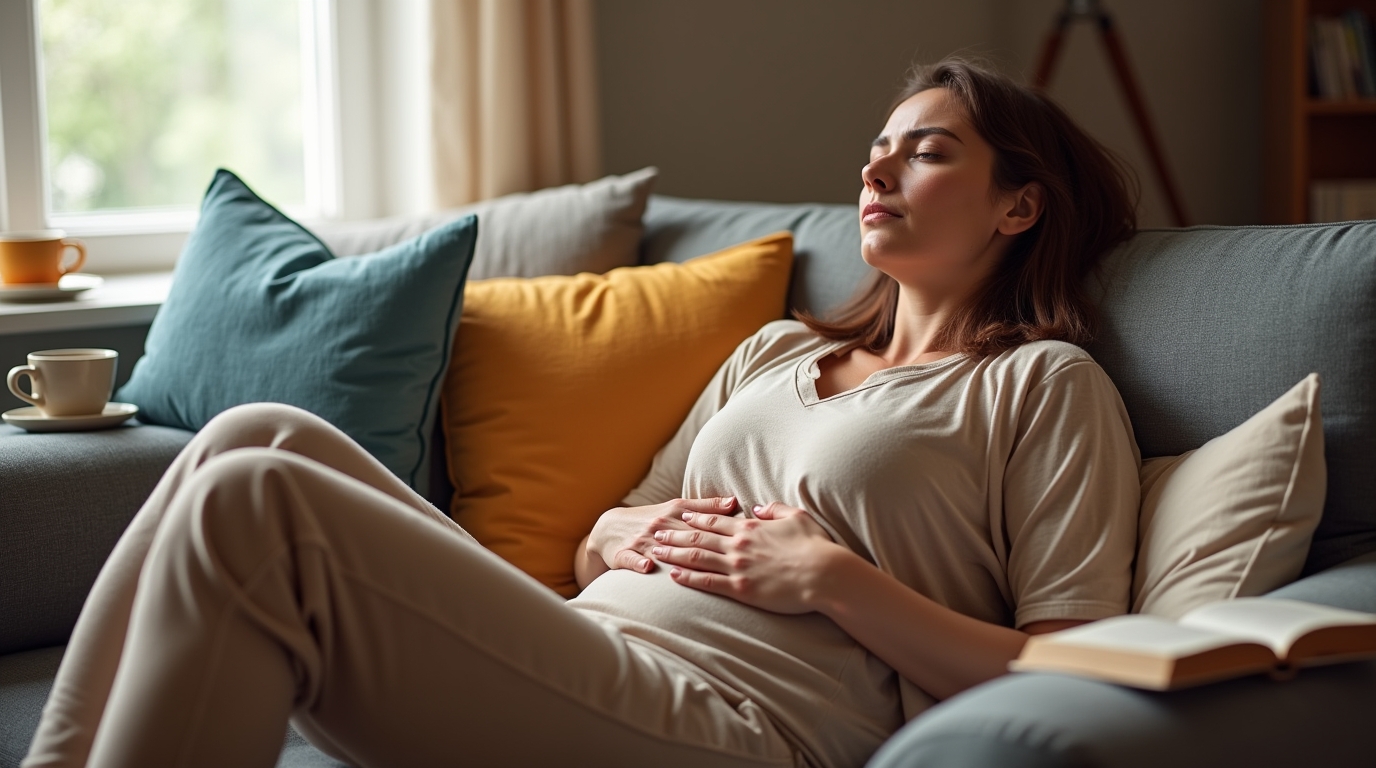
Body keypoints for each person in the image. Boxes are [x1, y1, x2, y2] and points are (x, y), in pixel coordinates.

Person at [23, 58, 1141, 768]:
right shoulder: (778, 348)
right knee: (247, 436)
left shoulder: (1039, 386)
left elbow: (1081, 667)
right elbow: (610, 524)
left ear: (1018, 204)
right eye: (876, 148)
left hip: (742, 724)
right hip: (586, 644)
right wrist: (627, 533)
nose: (878, 166)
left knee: (260, 501)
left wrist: (832, 580)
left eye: (926, 149)